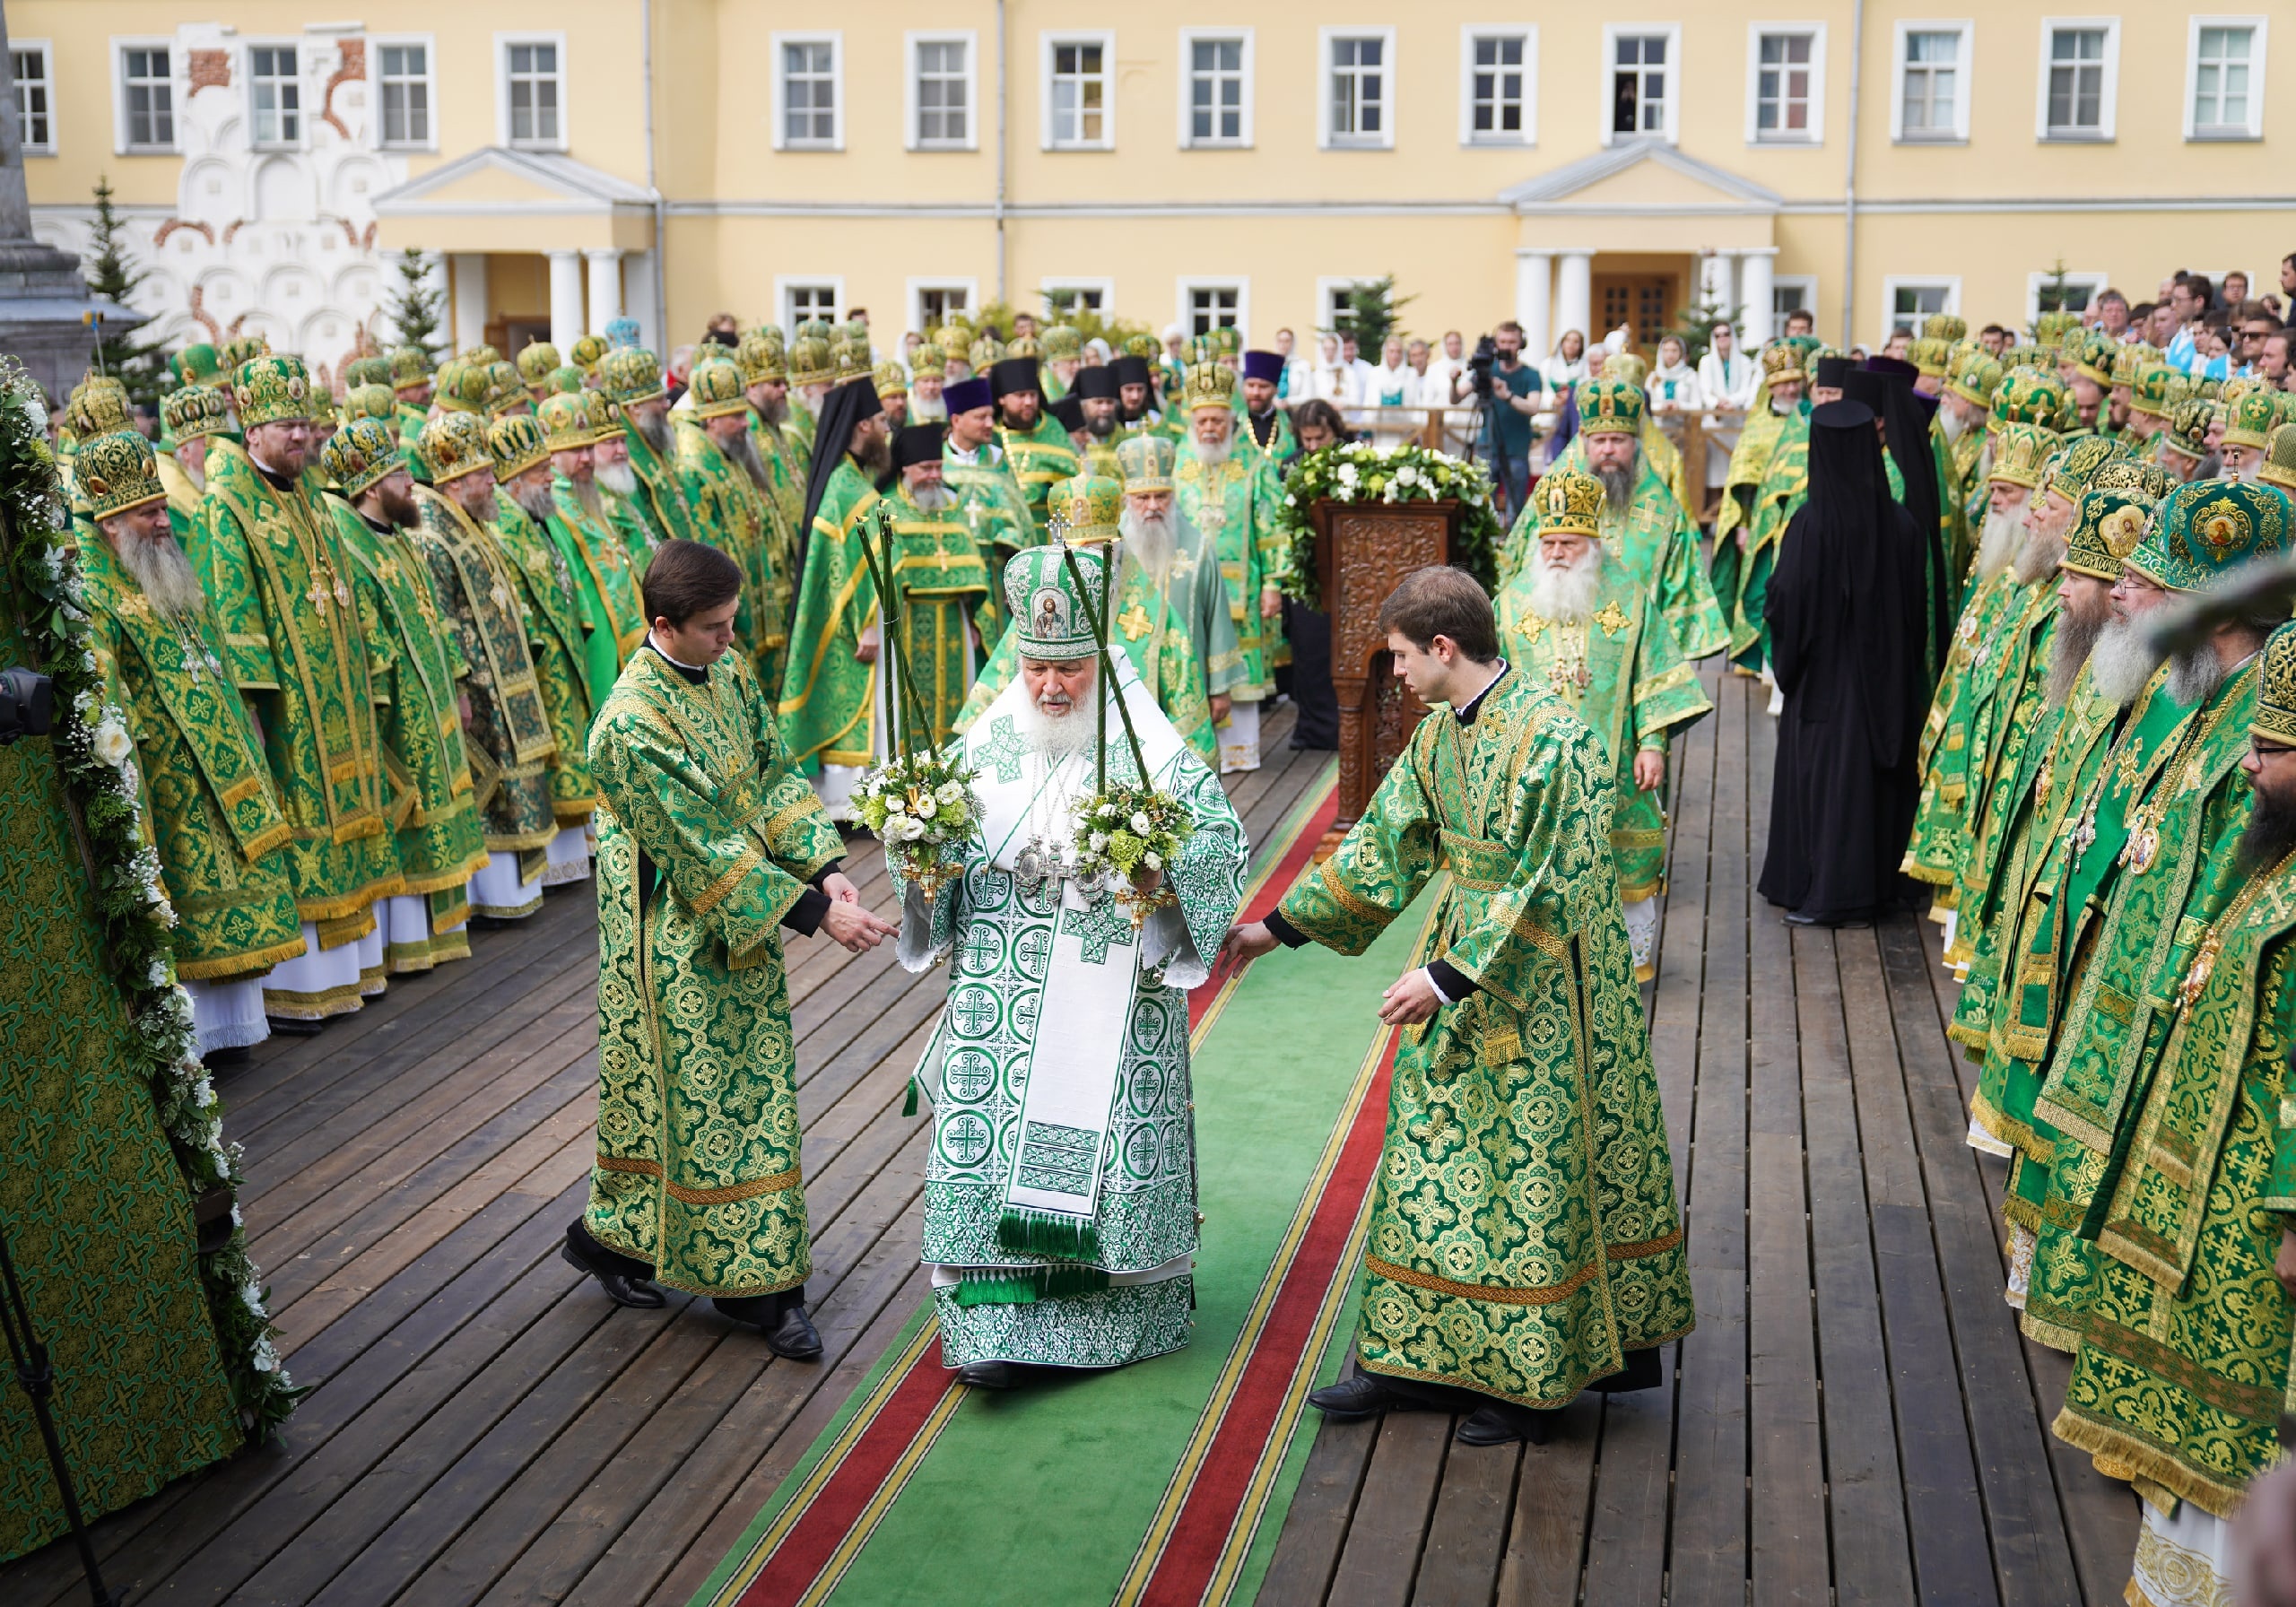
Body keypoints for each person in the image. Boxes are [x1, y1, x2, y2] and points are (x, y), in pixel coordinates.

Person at [1222, 566, 1692, 1445]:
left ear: (1443, 647)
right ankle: (1410, 1363)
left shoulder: (1558, 738)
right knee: (1429, 1151)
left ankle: (1527, 1384)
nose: (1396, 673)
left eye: (1402, 657)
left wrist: (1447, 977)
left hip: (1546, 990)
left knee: (1529, 1167)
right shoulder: (1441, 734)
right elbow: (1384, 842)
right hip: (1462, 960)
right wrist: (1274, 930)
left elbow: (1554, 881)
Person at [892, 541, 1245, 1386]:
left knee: (1105, 1145)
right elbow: (942, 861)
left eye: (1070, 669)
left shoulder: (1150, 748)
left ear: (1103, 659)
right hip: (1001, 986)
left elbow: (1220, 849)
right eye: (1036, 667)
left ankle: (1106, 1322)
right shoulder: (987, 745)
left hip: (1111, 984)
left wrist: (1161, 873)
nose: (1050, 686)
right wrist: (922, 855)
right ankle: (992, 1326)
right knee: (991, 1147)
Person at [567, 538, 896, 1358]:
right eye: (715, 626)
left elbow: (774, 775)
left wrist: (825, 868)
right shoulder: (628, 725)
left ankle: (615, 1242)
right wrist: (815, 914)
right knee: (718, 1098)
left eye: (733, 621)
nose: (731, 638)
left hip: (742, 911)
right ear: (662, 626)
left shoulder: (728, 670)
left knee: (721, 1090)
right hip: (672, 935)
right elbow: (700, 846)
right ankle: (760, 1291)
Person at [75, 429, 307, 1058]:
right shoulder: (94, 591)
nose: (162, 521)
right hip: (166, 777)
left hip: (222, 762)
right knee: (186, 906)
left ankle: (235, 1030)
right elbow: (104, 695)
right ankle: (197, 1042)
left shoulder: (163, 568)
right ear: (110, 521)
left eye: (161, 507)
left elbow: (212, 654)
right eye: (147, 513)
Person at [197, 353, 403, 1025]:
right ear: (251, 431)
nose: (299, 435)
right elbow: (232, 610)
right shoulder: (227, 504)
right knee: (308, 825)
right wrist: (255, 706)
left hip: (341, 691)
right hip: (289, 708)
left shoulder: (311, 493)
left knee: (354, 821)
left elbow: (343, 586)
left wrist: (370, 666)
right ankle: (308, 986)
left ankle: (355, 969)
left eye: (304, 423)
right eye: (286, 426)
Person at [1497, 470, 1710, 979]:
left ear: (1592, 545)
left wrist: (1653, 744)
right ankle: (1548, 966)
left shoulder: (1629, 599)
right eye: (1548, 542)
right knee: (1538, 869)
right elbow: (1491, 685)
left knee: (1625, 863)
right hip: (1536, 768)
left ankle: (1626, 966)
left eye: (1568, 543)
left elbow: (1654, 673)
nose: (1556, 553)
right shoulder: (1510, 603)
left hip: (1617, 766)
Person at [318, 419, 490, 976]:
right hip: (400, 705)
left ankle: (444, 932)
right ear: (372, 486)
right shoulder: (351, 544)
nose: (412, 482)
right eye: (398, 475)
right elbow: (368, 638)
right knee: (413, 812)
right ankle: (411, 942)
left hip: (435, 693)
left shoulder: (401, 537)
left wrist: (458, 681)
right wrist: (385, 706)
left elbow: (432, 613)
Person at [957, 446, 1245, 765]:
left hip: (1132, 770)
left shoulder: (1155, 616)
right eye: (1076, 554)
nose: (1086, 566)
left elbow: (1187, 713)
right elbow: (992, 693)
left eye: (1096, 552)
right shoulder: (1040, 612)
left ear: (1115, 548)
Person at [1760, 400, 1926, 925]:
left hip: (1824, 689)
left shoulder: (1810, 525)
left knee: (1827, 787)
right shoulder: (1903, 524)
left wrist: (1788, 652)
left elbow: (1786, 602)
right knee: (1872, 786)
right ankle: (1878, 887)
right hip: (1886, 687)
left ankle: (1827, 895)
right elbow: (1916, 614)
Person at [409, 412, 564, 923]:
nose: (492, 480)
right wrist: (460, 683)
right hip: (478, 690)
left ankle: (515, 892)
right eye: (481, 474)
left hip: (505, 678)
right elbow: (440, 616)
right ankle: (491, 897)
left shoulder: (469, 520)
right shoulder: (431, 532)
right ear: (454, 479)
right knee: (491, 789)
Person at [1511, 378, 1726, 666]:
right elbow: (1517, 571)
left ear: (1635, 443)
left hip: (1636, 658)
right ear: (1585, 442)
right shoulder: (1553, 498)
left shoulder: (1663, 513)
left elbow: (1682, 590)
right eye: (1600, 441)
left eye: (1618, 440)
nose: (1608, 450)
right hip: (1555, 658)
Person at [486, 415, 600, 890]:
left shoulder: (534, 518)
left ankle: (573, 854)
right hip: (539, 658)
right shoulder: (504, 527)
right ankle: (553, 862)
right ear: (514, 481)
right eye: (539, 471)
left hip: (561, 649)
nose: (550, 477)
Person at [1175, 360, 1286, 773]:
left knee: (1239, 672)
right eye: (1202, 421)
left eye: (1217, 421)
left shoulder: (1254, 464)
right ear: (1192, 422)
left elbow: (1272, 527)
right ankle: (1194, 750)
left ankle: (1238, 753)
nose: (1210, 428)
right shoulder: (1176, 464)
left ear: (1230, 420)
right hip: (1188, 588)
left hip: (1244, 588)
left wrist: (1273, 584)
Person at [678, 358, 791, 688]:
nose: (746, 423)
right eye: (736, 416)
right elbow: (705, 546)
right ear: (711, 419)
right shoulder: (695, 469)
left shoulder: (730, 455)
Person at [877, 421, 991, 743]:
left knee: (955, 701)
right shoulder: (887, 508)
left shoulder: (952, 507)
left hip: (954, 619)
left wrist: (973, 621)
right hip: (909, 620)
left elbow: (971, 573)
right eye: (925, 468)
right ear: (905, 467)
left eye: (938, 467)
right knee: (910, 702)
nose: (934, 476)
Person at [598, 347, 705, 545]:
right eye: (658, 399)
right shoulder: (622, 459)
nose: (666, 404)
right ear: (635, 407)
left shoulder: (656, 441)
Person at [990, 355, 1080, 538]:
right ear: (1002, 399)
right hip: (1000, 534)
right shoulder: (990, 434)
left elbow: (1074, 483)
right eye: (1020, 396)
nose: (1029, 402)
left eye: (1033, 394)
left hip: (1046, 535)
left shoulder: (1052, 429)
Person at [1478, 320, 1542, 521]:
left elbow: (1533, 407)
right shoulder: (1488, 370)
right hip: (1487, 447)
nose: (1506, 346)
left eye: (1512, 342)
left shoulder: (1531, 374)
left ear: (1521, 344)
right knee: (1482, 508)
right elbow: (1456, 397)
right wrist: (1454, 381)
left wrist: (1508, 396)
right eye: (1503, 341)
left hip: (1516, 451)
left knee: (1515, 511)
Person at [1238, 349, 1297, 471]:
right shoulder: (1234, 423)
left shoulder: (1291, 421)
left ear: (1276, 389)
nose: (1256, 392)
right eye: (1250, 385)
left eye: (1263, 387)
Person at [1697, 321, 1757, 412]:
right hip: (1714, 414)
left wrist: (1731, 401)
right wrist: (1716, 403)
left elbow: (1746, 389)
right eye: (1717, 335)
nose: (1722, 338)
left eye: (1726, 334)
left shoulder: (1745, 361)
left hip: (1737, 412)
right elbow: (1704, 390)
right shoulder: (1705, 361)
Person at [1644, 334, 1703, 415]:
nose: (1670, 354)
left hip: (1682, 422)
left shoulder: (1690, 375)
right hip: (1657, 421)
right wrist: (1660, 406)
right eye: (1666, 350)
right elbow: (1646, 405)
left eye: (1674, 350)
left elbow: (1698, 405)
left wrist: (1680, 405)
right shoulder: (1654, 376)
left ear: (1681, 352)